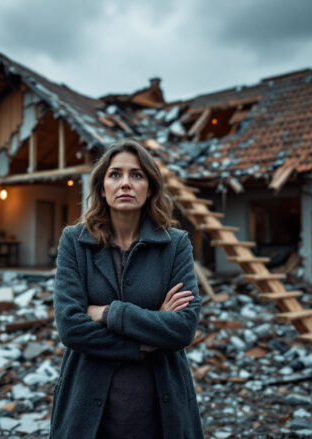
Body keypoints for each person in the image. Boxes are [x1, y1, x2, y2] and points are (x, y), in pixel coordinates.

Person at [51, 139, 204, 438]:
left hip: (160, 410)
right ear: (101, 187)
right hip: (88, 411)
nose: (125, 183)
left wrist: (109, 312)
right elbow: (70, 327)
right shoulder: (74, 241)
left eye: (136, 175)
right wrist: (146, 336)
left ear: (150, 187)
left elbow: (184, 328)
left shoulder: (176, 244)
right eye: (115, 174)